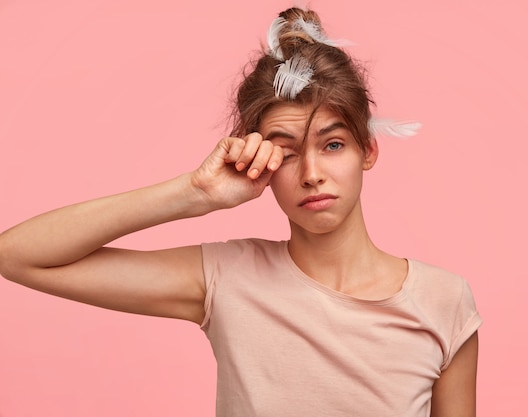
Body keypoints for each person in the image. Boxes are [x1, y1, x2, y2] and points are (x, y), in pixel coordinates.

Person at [0, 7, 481, 417]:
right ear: (260, 161)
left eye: (332, 145)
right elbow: (17, 255)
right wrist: (195, 193)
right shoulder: (227, 277)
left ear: (368, 151)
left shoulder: (444, 300)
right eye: (285, 153)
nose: (311, 172)